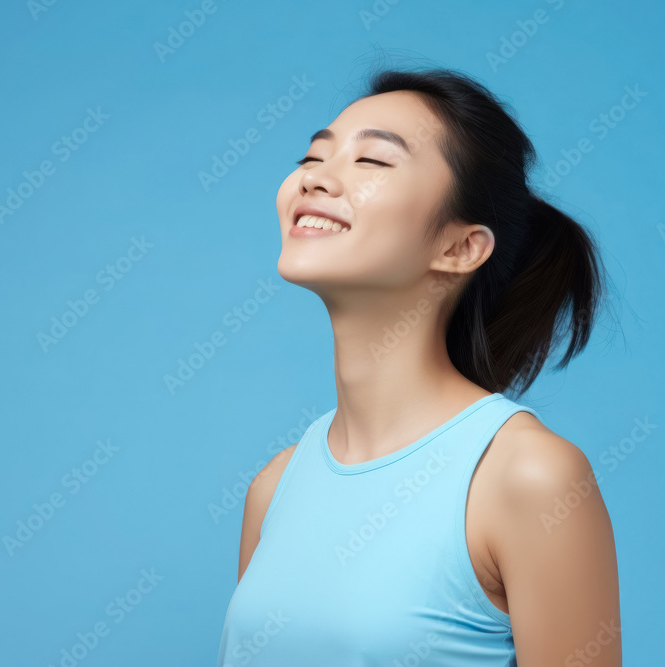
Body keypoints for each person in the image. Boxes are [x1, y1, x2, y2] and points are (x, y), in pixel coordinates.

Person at [217, 66, 621, 666]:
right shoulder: (274, 488)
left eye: (372, 162)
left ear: (460, 247)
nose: (315, 180)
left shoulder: (528, 476)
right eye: (312, 157)